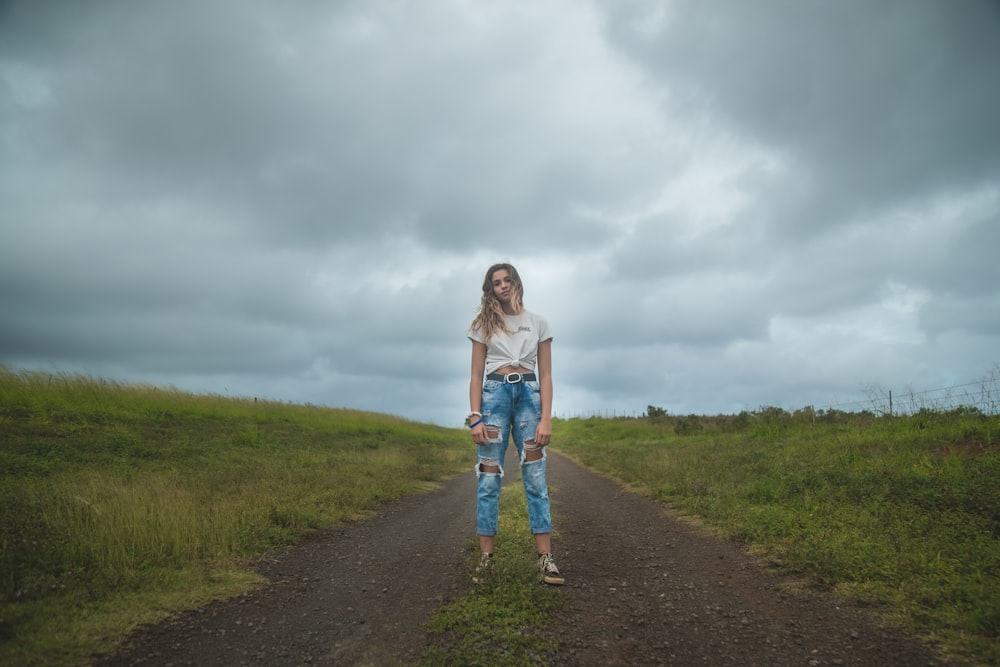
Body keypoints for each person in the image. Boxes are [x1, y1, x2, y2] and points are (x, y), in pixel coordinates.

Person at [466, 262, 563, 585]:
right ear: (490, 289)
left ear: (517, 282)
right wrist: (475, 415)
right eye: (496, 282)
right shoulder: (483, 323)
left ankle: (545, 559)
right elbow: (476, 374)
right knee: (489, 478)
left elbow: (547, 374)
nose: (503, 286)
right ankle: (486, 560)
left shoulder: (538, 322)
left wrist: (546, 417)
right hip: (493, 397)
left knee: (535, 478)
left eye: (508, 280)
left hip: (529, 398)